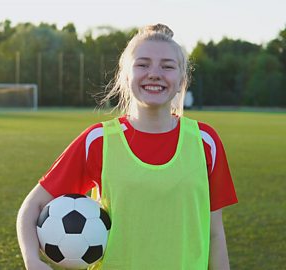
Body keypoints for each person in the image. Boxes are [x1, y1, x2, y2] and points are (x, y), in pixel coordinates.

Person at [16, 23, 238, 270]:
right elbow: (32, 206)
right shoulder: (99, 141)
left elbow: (215, 233)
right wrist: (32, 260)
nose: (154, 73)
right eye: (143, 64)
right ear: (125, 76)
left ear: (181, 79)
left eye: (167, 66)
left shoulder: (205, 141)